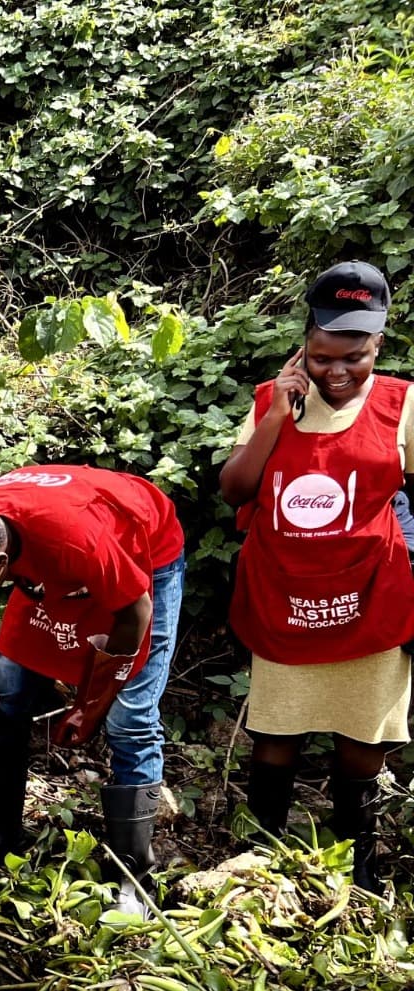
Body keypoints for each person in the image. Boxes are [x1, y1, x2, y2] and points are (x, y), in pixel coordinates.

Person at [218, 261, 414, 890]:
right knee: (276, 736)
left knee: (363, 744)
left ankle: (358, 880)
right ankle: (263, 874)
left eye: (354, 356)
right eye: (323, 354)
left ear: (378, 344)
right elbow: (234, 490)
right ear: (305, 343)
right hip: (286, 600)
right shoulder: (270, 401)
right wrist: (277, 415)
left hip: (371, 600)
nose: (337, 371)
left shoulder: (402, 404)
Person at [0, 465, 184, 916]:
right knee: (7, 688)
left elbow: (134, 613)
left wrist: (91, 703)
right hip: (48, 563)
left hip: (141, 557)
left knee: (130, 717)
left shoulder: (74, 538)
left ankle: (134, 878)